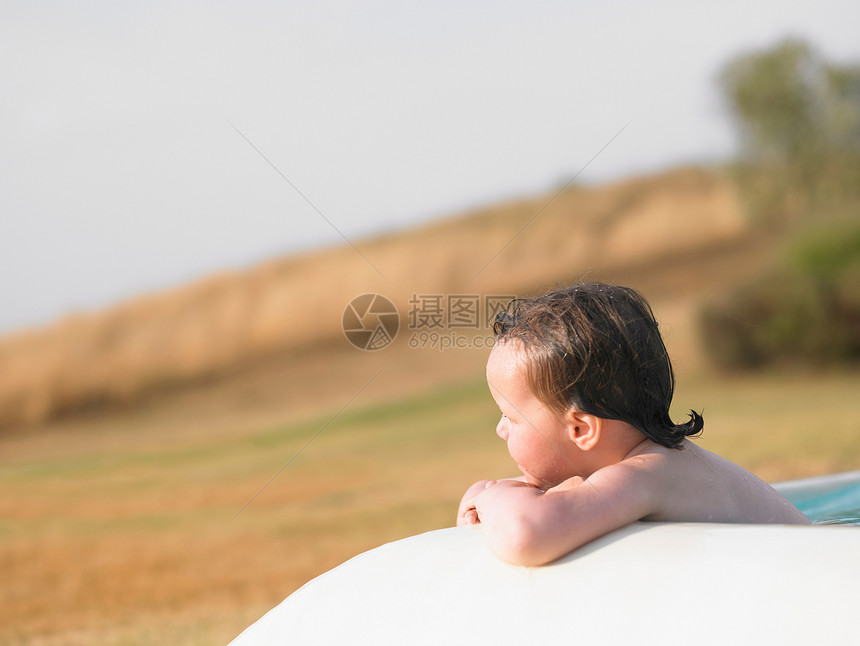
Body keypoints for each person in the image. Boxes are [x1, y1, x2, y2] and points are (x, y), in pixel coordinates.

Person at [456, 283, 808, 566]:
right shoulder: (638, 462)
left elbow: (527, 536)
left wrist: (493, 498)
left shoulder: (648, 473)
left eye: (510, 417)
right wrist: (493, 492)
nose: (500, 430)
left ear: (582, 429)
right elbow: (568, 496)